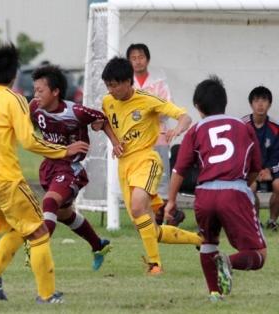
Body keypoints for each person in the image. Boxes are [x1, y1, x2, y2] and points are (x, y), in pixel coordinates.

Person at [0, 44, 89, 303]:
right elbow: (29, 141)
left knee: (17, 230)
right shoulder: (14, 99)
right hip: (7, 181)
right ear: (14, 75)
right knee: (39, 232)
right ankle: (47, 296)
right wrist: (63, 150)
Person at [165, 76, 267, 302]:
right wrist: (245, 185)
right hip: (234, 191)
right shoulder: (243, 127)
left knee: (208, 242)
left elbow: (179, 170)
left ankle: (214, 294)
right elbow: (256, 168)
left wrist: (171, 201)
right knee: (259, 255)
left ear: (199, 107)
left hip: (205, 194)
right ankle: (228, 262)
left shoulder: (196, 129)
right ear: (225, 103)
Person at [101, 57, 202, 275]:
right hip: (124, 166)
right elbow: (105, 122)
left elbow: (184, 116)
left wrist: (178, 129)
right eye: (108, 85)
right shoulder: (107, 101)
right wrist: (114, 141)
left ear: (129, 82)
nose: (111, 90)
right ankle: (200, 240)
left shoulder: (147, 100)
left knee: (138, 206)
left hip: (147, 159)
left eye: (115, 85)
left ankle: (155, 265)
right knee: (149, 229)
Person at [29, 65, 122, 270]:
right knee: (63, 214)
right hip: (48, 167)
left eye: (40, 90)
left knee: (50, 202)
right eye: (34, 90)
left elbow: (101, 118)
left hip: (70, 169)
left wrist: (114, 142)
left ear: (55, 92)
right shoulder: (34, 108)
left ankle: (38, 250)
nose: (36, 95)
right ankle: (99, 245)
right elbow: (24, 129)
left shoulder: (76, 112)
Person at [126, 43, 184, 226]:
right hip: (135, 142)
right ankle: (149, 216)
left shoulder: (159, 84)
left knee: (162, 177)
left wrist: (145, 112)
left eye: (141, 57)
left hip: (159, 136)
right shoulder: (127, 85)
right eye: (133, 58)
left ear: (147, 59)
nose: (137, 61)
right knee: (139, 179)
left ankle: (167, 214)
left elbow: (168, 108)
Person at [242, 86, 279, 231]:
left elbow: (277, 154)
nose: (260, 104)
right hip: (249, 169)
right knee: (250, 187)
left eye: (264, 100)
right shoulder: (242, 125)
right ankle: (255, 223)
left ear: (269, 104)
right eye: (256, 100)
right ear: (251, 104)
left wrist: (269, 170)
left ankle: (272, 221)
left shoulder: (275, 127)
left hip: (271, 169)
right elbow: (239, 153)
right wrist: (255, 171)